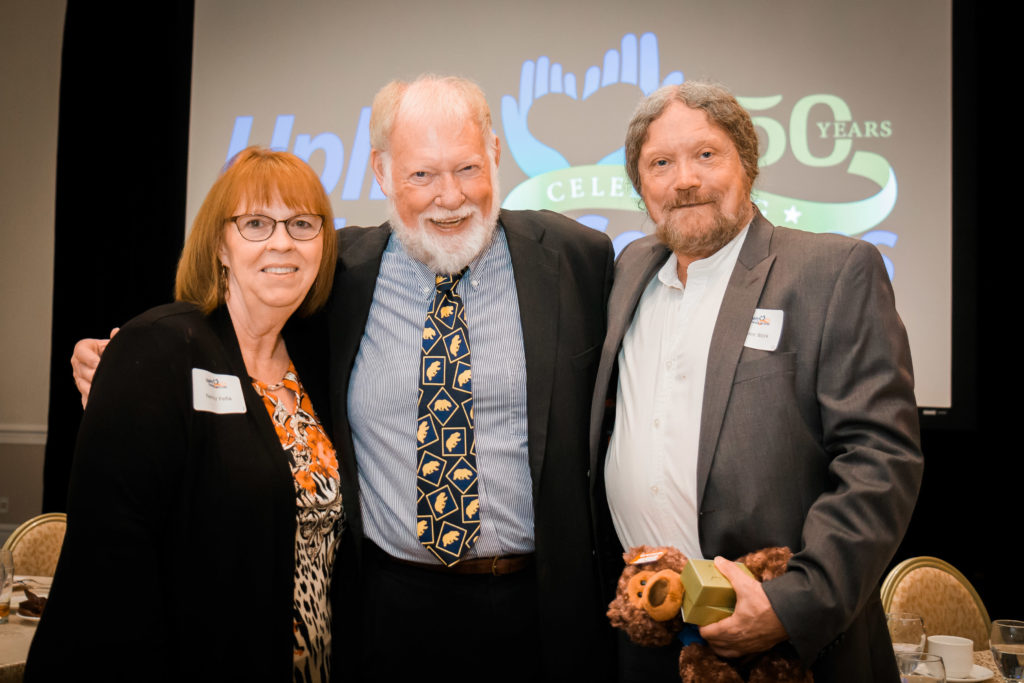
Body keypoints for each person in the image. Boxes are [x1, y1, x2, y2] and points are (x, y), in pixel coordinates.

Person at [71, 75, 615, 681]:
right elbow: (228, 332)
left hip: (541, 608)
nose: (450, 196)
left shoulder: (577, 258)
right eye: (421, 175)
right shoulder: (339, 273)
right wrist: (128, 364)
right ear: (382, 172)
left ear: (494, 152)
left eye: (466, 167)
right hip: (384, 611)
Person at [588, 81, 923, 681]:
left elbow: (880, 459)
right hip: (647, 635)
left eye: (707, 155)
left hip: (784, 646)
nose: (684, 179)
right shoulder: (629, 271)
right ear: (641, 186)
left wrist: (792, 606)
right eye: (660, 163)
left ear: (749, 164)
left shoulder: (832, 272)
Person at [30, 148, 342, 683]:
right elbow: (110, 565)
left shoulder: (317, 365)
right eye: (256, 224)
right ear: (220, 245)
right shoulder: (160, 347)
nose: (282, 241)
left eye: (301, 224)